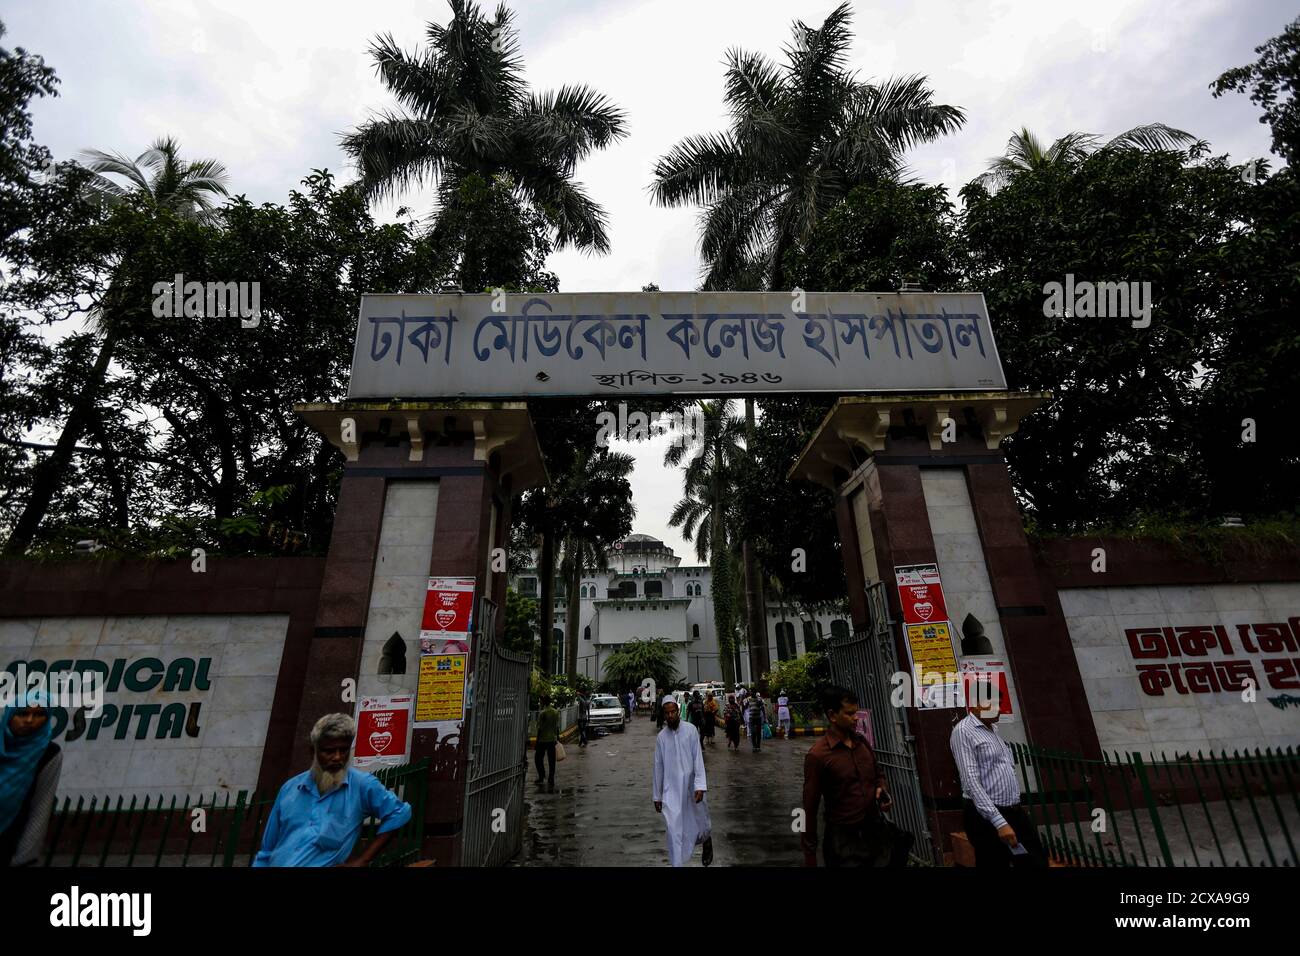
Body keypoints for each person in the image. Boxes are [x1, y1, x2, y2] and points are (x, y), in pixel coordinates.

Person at [254, 713, 411, 867]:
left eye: (343, 750)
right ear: (313, 752)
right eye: (329, 751)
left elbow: (399, 813)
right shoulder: (290, 788)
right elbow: (267, 850)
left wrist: (362, 860)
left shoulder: (361, 785)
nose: (337, 757)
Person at [802, 685, 907, 867]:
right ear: (832, 715)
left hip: (875, 834)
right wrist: (810, 853)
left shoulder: (862, 743)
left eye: (856, 713)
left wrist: (882, 790)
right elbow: (809, 807)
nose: (855, 718)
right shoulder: (818, 756)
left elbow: (878, 774)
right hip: (843, 842)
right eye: (849, 714)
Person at [950, 678, 1047, 867]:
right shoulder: (963, 732)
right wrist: (999, 822)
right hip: (985, 816)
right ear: (977, 704)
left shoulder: (992, 728)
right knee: (994, 862)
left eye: (999, 704)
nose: (999, 709)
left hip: (1013, 810)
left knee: (1035, 859)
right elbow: (971, 780)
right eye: (993, 704)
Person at [1, 692, 62, 867]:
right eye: (22, 714)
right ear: (10, 715)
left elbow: (41, 806)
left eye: (38, 715)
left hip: (8, 838)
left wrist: (25, 858)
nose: (29, 720)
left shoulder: (48, 754)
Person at [653, 698, 713, 867]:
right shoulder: (661, 738)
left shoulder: (691, 730)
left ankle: (707, 840)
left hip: (692, 786)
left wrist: (700, 785)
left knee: (700, 822)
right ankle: (676, 864)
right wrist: (657, 796)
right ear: (664, 715)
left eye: (673, 712)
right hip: (670, 790)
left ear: (678, 711)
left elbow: (698, 760)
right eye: (667, 713)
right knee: (673, 830)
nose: (671, 715)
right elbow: (658, 767)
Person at [535, 695, 560, 792]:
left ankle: (541, 776)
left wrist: (537, 741)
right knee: (552, 760)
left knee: (538, 759)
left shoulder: (543, 713)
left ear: (543, 702)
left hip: (542, 740)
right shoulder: (555, 712)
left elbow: (540, 729)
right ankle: (551, 778)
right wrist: (557, 738)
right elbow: (557, 726)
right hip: (552, 739)